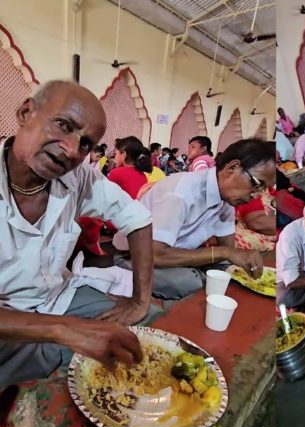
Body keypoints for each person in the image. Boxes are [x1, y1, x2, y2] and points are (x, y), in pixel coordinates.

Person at [0, 80, 156, 386]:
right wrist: (62, 329)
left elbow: (137, 220)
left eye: (85, 144)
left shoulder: (79, 177)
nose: (71, 150)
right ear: (25, 112)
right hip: (8, 319)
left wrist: (140, 300)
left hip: (57, 298)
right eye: (63, 124)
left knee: (134, 337)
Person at [113, 139, 276, 300]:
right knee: (187, 282)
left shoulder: (226, 201)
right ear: (232, 167)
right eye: (256, 184)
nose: (257, 195)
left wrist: (235, 255)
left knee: (228, 270)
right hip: (135, 255)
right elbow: (154, 254)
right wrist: (224, 253)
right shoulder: (181, 192)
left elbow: (228, 251)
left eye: (263, 189)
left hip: (173, 256)